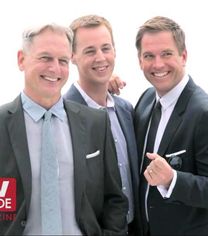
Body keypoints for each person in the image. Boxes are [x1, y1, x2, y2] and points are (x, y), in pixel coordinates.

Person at [110, 16, 208, 235]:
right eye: (149, 56)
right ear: (140, 60)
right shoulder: (146, 99)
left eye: (166, 54)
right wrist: (103, 87)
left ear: (183, 56)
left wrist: (172, 179)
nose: (158, 64)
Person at [0, 23, 128, 235]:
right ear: (21, 60)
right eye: (45, 58)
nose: (55, 68)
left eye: (62, 61)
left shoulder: (96, 122)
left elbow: (114, 198)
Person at [64, 15, 142, 236]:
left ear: (115, 51)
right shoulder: (62, 115)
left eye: (106, 48)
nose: (101, 58)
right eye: (90, 51)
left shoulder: (126, 110)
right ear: (72, 56)